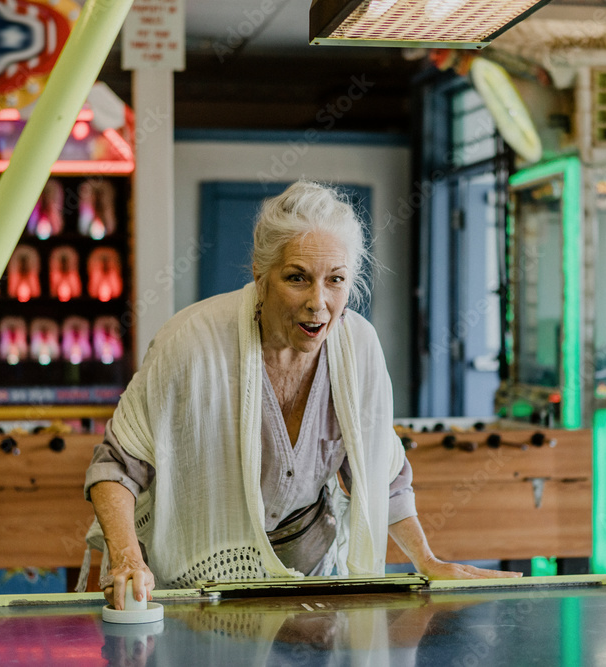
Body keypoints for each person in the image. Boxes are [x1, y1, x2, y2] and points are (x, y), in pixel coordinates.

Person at [86, 180, 519, 611]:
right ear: (260, 274)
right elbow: (116, 466)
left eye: (336, 280)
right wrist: (126, 557)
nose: (319, 302)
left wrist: (425, 558)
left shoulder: (358, 349)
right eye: (297, 278)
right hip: (187, 580)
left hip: (306, 580)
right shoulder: (190, 342)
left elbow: (382, 476)